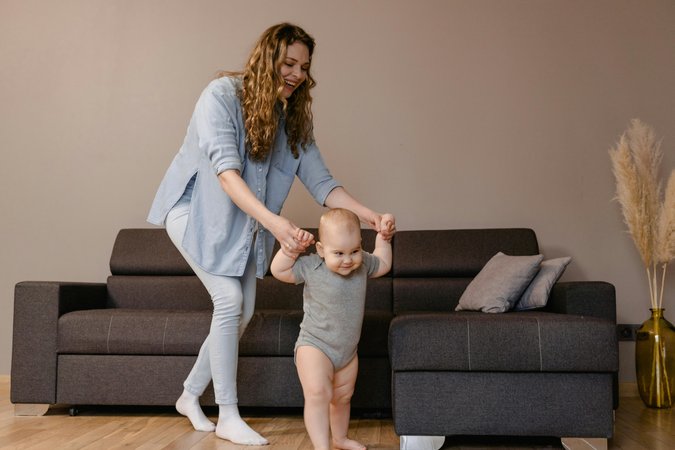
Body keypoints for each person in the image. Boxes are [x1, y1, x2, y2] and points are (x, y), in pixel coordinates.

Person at [146, 23, 396, 445]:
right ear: (268, 59)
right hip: (193, 211)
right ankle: (227, 414)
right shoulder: (221, 96)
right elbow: (226, 174)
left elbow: (323, 184)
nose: (297, 74)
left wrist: (370, 216)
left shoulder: (291, 118)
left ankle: (189, 395)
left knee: (242, 312)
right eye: (289, 63)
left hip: (242, 221)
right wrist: (276, 224)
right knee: (229, 301)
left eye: (304, 67)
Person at [270, 208, 394, 450]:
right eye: (338, 253)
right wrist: (289, 251)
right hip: (315, 345)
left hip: (347, 352)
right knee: (318, 394)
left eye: (354, 251)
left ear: (360, 245)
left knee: (342, 397)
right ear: (320, 249)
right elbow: (279, 271)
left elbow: (384, 263)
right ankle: (322, 447)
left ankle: (340, 438)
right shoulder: (311, 266)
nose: (348, 260)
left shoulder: (363, 263)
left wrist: (383, 238)